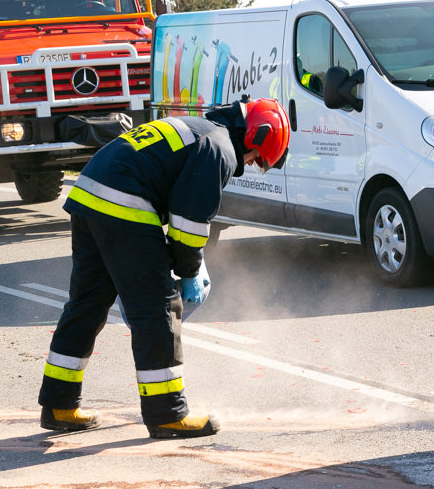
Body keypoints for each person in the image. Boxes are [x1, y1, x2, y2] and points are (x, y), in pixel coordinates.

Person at [37, 97, 290, 438]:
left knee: (87, 304)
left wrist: (175, 261)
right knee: (158, 309)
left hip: (89, 195)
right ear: (255, 139)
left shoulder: (199, 128)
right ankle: (167, 413)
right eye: (257, 158)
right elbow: (188, 224)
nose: (250, 164)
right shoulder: (219, 147)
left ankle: (60, 404)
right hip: (123, 202)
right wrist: (188, 271)